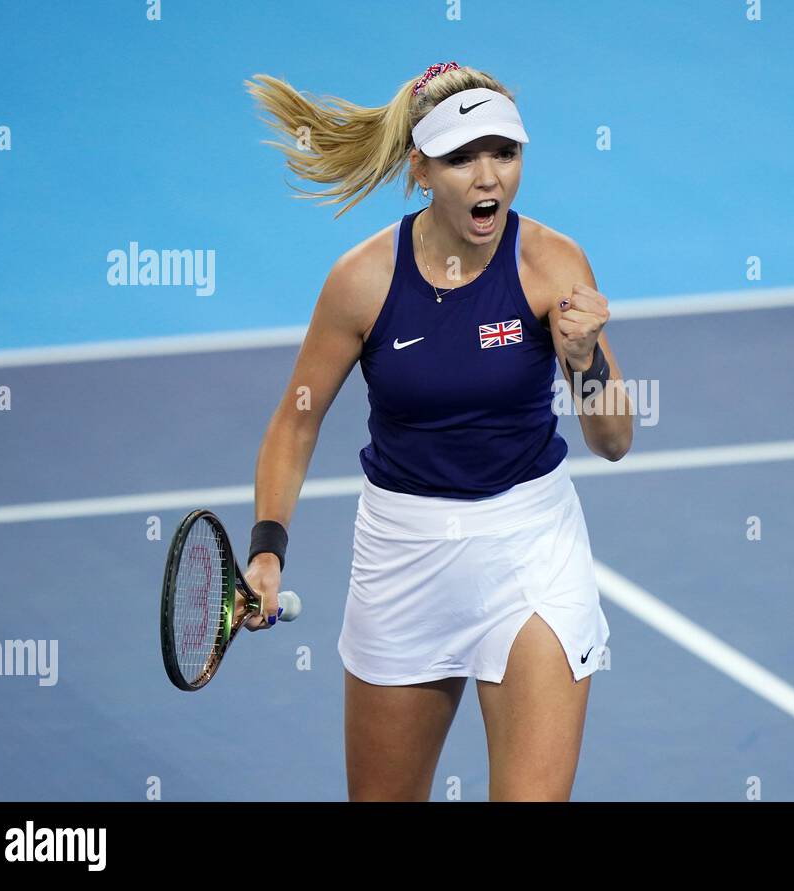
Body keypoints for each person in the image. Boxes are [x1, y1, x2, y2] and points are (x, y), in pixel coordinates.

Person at [240, 62, 634, 801]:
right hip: (403, 556)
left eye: (504, 153)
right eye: (461, 158)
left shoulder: (552, 263)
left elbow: (614, 440)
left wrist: (584, 363)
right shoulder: (362, 281)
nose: (489, 178)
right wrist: (267, 550)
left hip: (530, 550)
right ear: (420, 169)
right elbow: (296, 422)